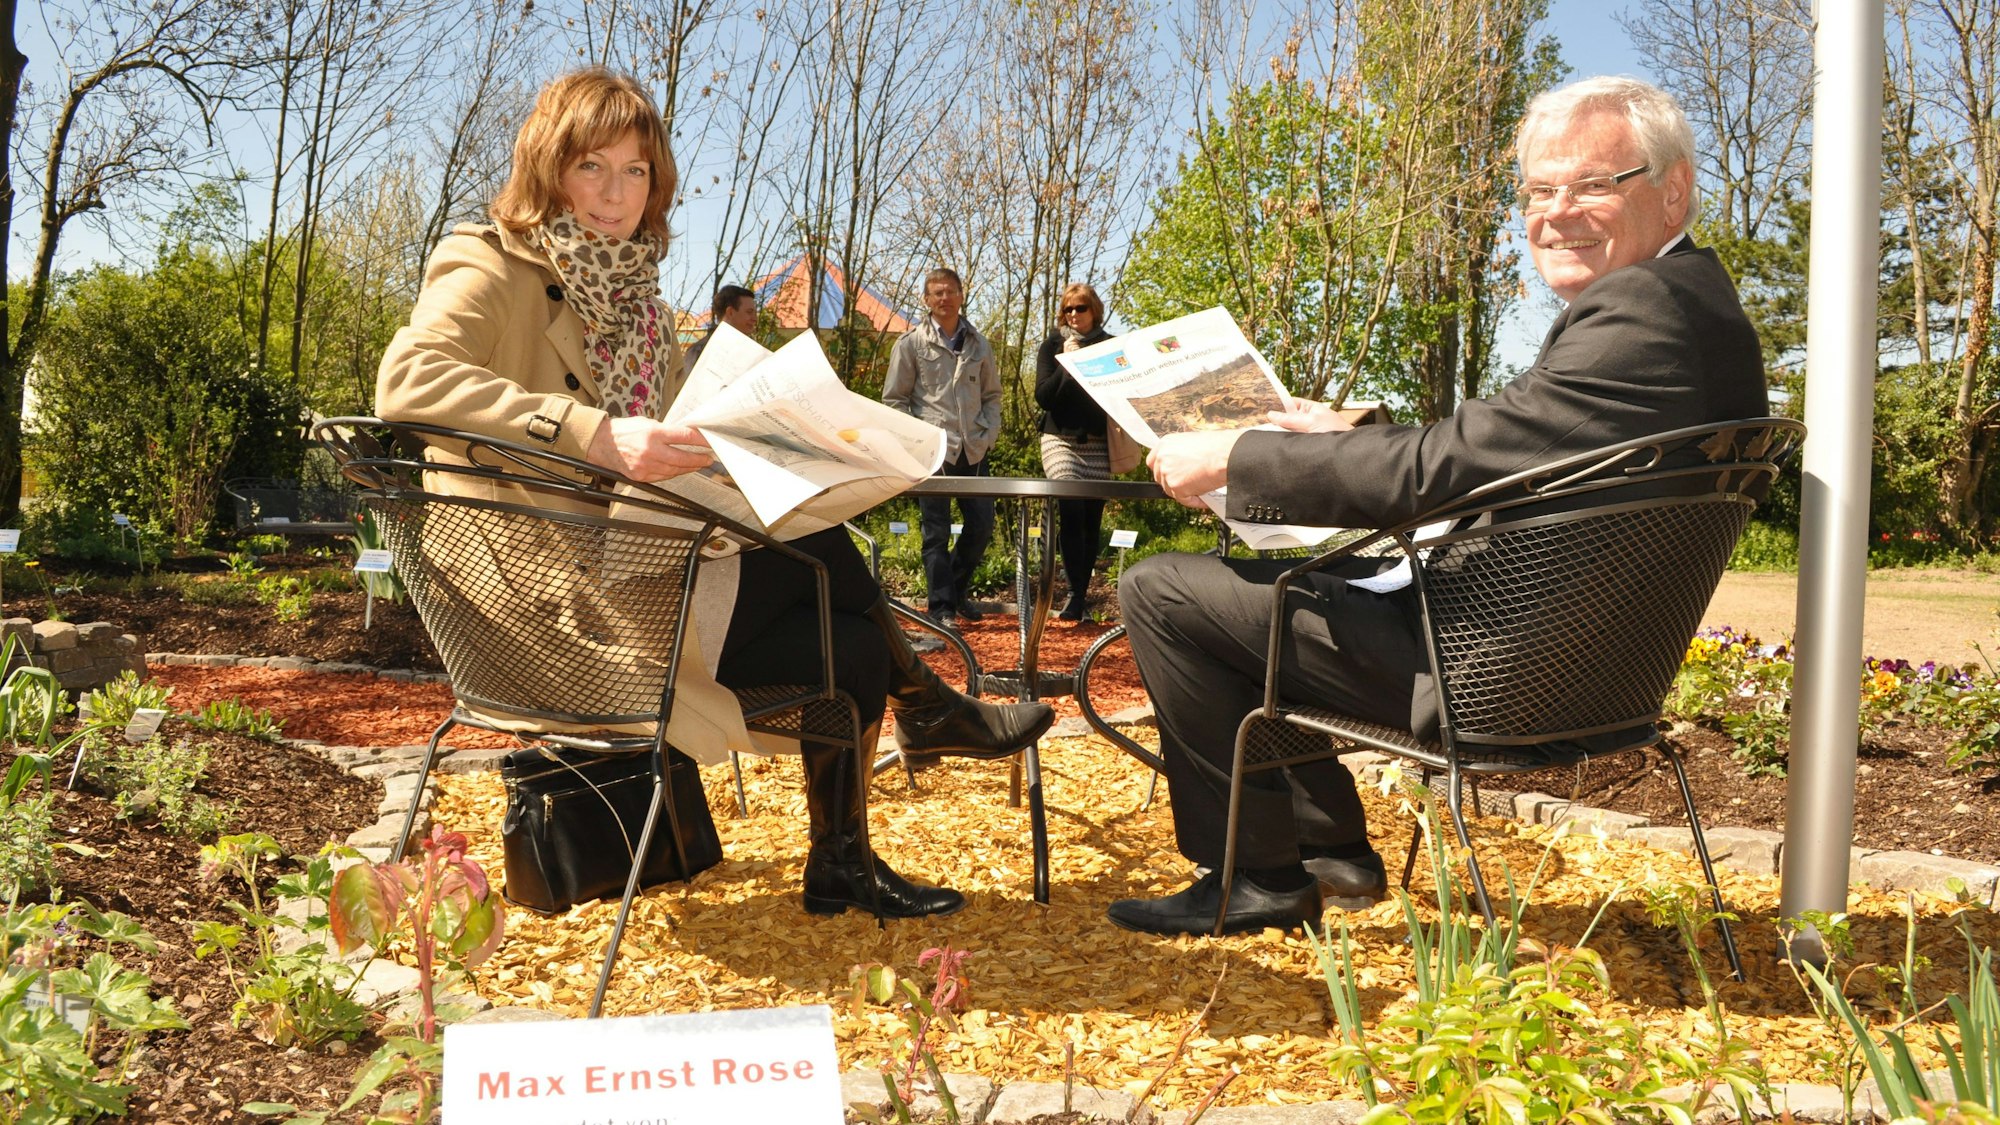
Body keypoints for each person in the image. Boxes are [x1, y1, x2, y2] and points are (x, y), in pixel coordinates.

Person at [375, 68, 1054, 922]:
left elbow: (668, 448)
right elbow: (407, 380)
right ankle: (930, 705)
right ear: (550, 167)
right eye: (593, 167)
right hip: (549, 598)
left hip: (642, 571)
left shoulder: (652, 313)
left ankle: (844, 855)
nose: (616, 195)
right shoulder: (491, 263)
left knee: (847, 634)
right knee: (824, 563)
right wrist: (593, 434)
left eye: (636, 172)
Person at [1107, 75, 1770, 936]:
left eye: (1590, 185)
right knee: (1265, 595)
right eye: (1538, 190)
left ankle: (1259, 877)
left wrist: (1238, 453)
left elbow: (1450, 465)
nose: (1556, 212)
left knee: (1166, 591)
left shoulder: (1643, 310)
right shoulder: (1693, 306)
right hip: (1568, 661)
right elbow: (1517, 443)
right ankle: (1333, 848)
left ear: (1671, 187)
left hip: (1488, 675)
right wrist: (1352, 427)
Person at [883, 268, 1001, 631]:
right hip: (933, 452)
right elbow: (894, 400)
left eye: (950, 291)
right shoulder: (910, 344)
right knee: (936, 530)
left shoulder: (979, 344)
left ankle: (956, 590)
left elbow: (992, 395)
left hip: (973, 448)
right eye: (936, 293)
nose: (944, 298)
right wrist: (918, 439)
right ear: (926, 299)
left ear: (962, 295)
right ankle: (941, 608)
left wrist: (988, 432)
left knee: (981, 525)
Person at [1035, 283, 1115, 621]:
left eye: (1080, 308)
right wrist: (1068, 363)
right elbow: (1044, 397)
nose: (1073, 315)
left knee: (1090, 521)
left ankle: (1080, 596)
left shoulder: (1112, 346)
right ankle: (1073, 595)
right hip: (1059, 440)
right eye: (1068, 309)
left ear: (1094, 309)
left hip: (1097, 443)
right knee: (1071, 510)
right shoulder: (1052, 346)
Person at [684, 283, 756, 372]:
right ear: (730, 312)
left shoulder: (753, 354)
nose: (755, 319)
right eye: (749, 312)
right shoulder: (699, 351)